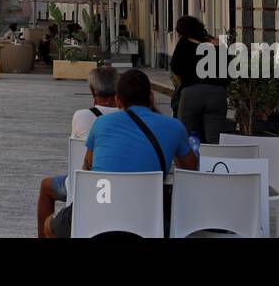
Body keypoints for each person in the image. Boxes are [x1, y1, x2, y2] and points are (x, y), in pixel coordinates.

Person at [42, 69, 197, 238]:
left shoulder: (101, 124)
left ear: (117, 100)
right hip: (148, 219)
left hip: (99, 213)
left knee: (49, 227)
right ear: (151, 97)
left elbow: (87, 170)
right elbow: (190, 171)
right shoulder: (174, 127)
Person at [35, 67, 120, 237]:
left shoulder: (82, 116)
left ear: (92, 91)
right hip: (124, 188)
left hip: (85, 187)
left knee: (46, 186)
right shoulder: (128, 118)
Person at [170, 16, 229, 143]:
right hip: (217, 93)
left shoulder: (184, 44)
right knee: (215, 139)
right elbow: (229, 70)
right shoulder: (216, 43)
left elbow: (175, 68)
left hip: (191, 93)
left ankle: (190, 162)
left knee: (186, 137)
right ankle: (214, 161)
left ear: (182, 32)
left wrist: (184, 82)